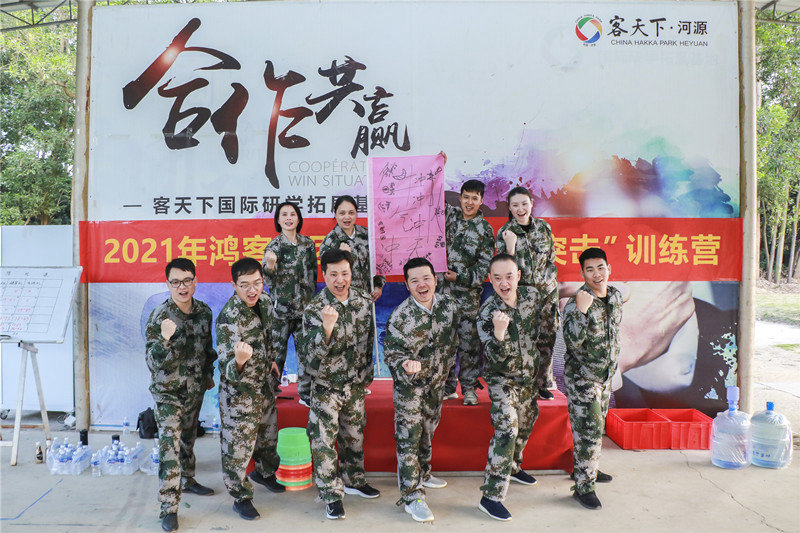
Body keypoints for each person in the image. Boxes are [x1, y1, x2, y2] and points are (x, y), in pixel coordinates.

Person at [300, 249, 380, 520]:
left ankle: (354, 479)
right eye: (333, 274)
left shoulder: (363, 301)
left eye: (345, 273)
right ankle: (331, 494)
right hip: (326, 385)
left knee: (354, 435)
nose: (340, 280)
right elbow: (309, 356)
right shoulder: (315, 309)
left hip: (355, 383)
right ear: (324, 275)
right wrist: (326, 328)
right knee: (323, 441)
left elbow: (368, 342)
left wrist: (366, 375)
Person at [383, 257, 460, 523]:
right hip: (410, 389)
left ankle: (423, 474)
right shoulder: (400, 317)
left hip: (436, 385)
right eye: (414, 281)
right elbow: (392, 353)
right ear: (407, 286)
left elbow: (457, 342)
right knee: (409, 439)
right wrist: (404, 364)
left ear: (435, 280)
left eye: (426, 278)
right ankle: (412, 496)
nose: (421, 285)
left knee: (427, 430)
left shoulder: (449, 307)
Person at [145, 258, 217, 532]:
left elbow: (208, 349)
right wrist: (164, 339)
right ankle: (169, 508)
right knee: (170, 448)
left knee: (187, 438)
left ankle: (188, 479)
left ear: (195, 281)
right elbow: (152, 362)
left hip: (194, 389)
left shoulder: (204, 312)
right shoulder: (160, 316)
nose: (182, 287)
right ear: (168, 284)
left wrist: (208, 375)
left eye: (187, 280)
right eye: (175, 282)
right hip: (168, 393)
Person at [216, 257, 285, 521]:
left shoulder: (264, 302)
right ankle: (240, 496)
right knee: (238, 447)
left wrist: (272, 360)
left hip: (263, 384)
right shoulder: (228, 319)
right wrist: (239, 361)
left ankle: (264, 473)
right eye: (244, 285)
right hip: (239, 394)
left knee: (268, 435)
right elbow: (227, 370)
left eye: (257, 283)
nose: (252, 290)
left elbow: (269, 336)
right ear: (234, 285)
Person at [475, 254, 542, 521]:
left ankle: (513, 467)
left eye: (509, 277)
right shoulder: (486, 313)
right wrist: (499, 332)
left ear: (518, 277)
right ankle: (491, 496)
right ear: (490, 280)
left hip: (529, 376)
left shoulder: (532, 298)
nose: (504, 283)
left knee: (526, 422)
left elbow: (543, 333)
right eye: (498, 278)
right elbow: (493, 358)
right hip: (501, 379)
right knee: (508, 429)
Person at [562, 247, 622, 510]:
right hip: (583, 378)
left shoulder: (615, 296)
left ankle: (589, 469)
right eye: (590, 269)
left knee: (597, 428)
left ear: (609, 269)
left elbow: (614, 333)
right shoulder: (577, 302)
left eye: (600, 267)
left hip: (605, 376)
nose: (597, 274)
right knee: (589, 431)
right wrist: (582, 312)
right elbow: (572, 342)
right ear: (582, 274)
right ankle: (584, 487)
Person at [496, 186, 559, 400]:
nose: (520, 209)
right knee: (523, 341)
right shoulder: (505, 232)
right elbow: (503, 269)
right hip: (523, 296)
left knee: (547, 338)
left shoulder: (544, 227)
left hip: (547, 293)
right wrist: (510, 247)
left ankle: (542, 383)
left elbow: (550, 259)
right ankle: (523, 384)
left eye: (524, 203)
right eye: (515, 205)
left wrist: (550, 285)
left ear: (532, 204)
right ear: (509, 208)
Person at [439, 179, 495, 405]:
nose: (469, 202)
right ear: (460, 198)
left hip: (468, 297)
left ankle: (469, 388)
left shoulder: (485, 230)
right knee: (444, 341)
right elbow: (432, 198)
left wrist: (460, 276)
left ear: (481, 201)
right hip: (442, 295)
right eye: (466, 197)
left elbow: (484, 268)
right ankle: (447, 386)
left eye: (474, 198)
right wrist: (438, 167)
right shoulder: (449, 216)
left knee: (468, 345)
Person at [262, 201, 318, 404]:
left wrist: (312, 303)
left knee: (306, 353)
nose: (288, 218)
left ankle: (306, 394)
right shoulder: (273, 247)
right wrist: (269, 266)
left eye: (292, 214)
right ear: (278, 220)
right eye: (284, 215)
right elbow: (267, 282)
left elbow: (313, 275)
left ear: (298, 218)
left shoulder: (308, 244)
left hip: (304, 310)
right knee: (276, 354)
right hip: (281, 312)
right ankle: (270, 392)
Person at [319, 195, 385, 302]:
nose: (347, 217)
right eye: (342, 213)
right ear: (335, 214)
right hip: (343, 301)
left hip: (366, 298)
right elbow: (329, 275)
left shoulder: (367, 234)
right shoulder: (329, 242)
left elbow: (378, 261)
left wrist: (378, 285)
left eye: (351, 213)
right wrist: (342, 254)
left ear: (356, 214)